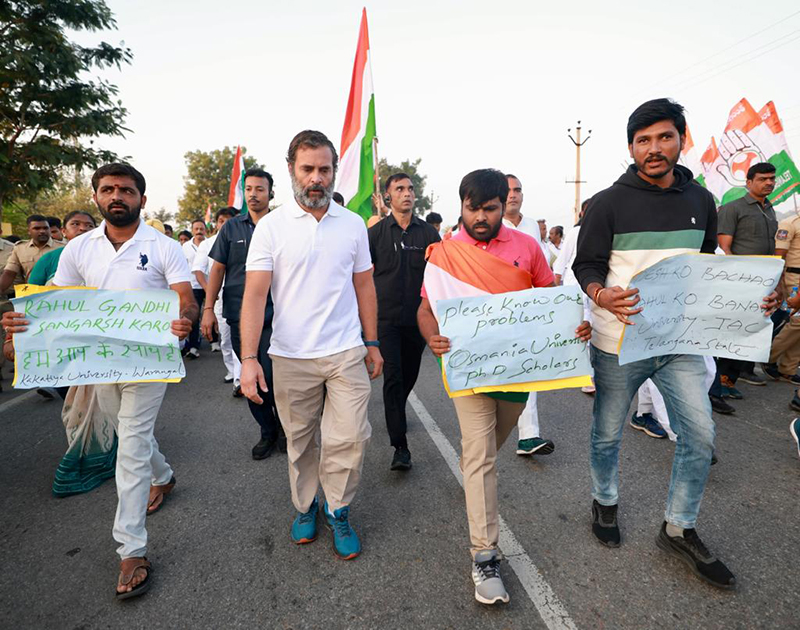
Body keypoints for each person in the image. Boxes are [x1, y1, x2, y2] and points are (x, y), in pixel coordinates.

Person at [572, 98, 776, 590]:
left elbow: (706, 269)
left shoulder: (701, 201)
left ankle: (679, 528)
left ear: (682, 140)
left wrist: (754, 299)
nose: (654, 148)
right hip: (618, 342)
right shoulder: (607, 203)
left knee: (700, 435)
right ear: (631, 148)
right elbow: (587, 265)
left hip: (680, 342)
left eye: (664, 137)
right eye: (643, 140)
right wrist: (600, 294)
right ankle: (604, 502)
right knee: (607, 432)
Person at [2, 162, 197, 600]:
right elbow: (55, 304)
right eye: (108, 189)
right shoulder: (79, 249)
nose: (117, 196)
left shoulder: (164, 247)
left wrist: (185, 319)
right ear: (96, 197)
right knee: (131, 435)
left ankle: (131, 550)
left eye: (126, 190)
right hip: (99, 364)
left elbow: (185, 299)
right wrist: (20, 329)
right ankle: (164, 476)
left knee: (129, 446)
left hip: (148, 362)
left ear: (141, 199)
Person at [417, 168, 589, 604]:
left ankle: (473, 468)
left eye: (489, 209)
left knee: (487, 448)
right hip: (469, 375)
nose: (480, 217)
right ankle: (484, 555)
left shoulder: (527, 247)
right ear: (461, 206)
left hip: (517, 375)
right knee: (481, 458)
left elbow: (550, 301)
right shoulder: (445, 254)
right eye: (472, 208)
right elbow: (425, 310)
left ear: (504, 206)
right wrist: (431, 337)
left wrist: (575, 327)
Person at [240, 129, 383, 560]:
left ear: (335, 171)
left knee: (351, 437)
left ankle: (338, 509)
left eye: (324, 169)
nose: (316, 178)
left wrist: (372, 341)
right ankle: (306, 506)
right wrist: (248, 358)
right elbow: (255, 296)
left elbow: (364, 286)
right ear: (291, 170)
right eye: (308, 169)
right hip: (290, 355)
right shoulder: (271, 227)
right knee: (300, 440)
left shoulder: (353, 224)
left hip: (345, 351)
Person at [203, 169, 284, 459]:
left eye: (260, 189)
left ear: (270, 193)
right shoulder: (231, 228)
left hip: (277, 314)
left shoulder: (282, 225)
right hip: (239, 314)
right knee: (250, 374)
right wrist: (208, 309)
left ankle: (285, 428)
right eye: (249, 189)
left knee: (274, 375)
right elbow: (218, 270)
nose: (253, 194)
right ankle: (267, 431)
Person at [369, 172, 440, 470]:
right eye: (399, 189)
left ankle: (396, 410)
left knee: (409, 376)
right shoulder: (375, 234)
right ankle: (400, 446)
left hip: (418, 320)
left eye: (410, 188)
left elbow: (441, 276)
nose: (407, 193)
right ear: (388, 196)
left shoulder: (429, 234)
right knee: (394, 377)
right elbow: (361, 277)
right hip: (385, 320)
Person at [502, 174, 554, 455]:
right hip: (499, 310)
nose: (513, 195)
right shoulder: (493, 225)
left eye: (517, 190)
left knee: (528, 368)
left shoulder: (532, 225)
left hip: (530, 308)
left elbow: (541, 266)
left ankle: (528, 435)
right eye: (508, 190)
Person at [716, 162, 778, 392]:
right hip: (739, 282)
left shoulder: (769, 209)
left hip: (764, 282)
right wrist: (737, 279)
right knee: (731, 330)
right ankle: (717, 384)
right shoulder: (733, 208)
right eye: (763, 179)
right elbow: (724, 248)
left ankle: (730, 380)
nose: (769, 183)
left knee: (749, 332)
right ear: (749, 182)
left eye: (771, 178)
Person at [193, 207, 240, 392]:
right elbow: (198, 271)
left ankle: (239, 378)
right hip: (219, 299)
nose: (225, 224)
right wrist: (210, 293)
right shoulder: (207, 244)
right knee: (226, 339)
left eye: (229, 220)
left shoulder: (246, 238)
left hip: (241, 297)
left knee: (240, 338)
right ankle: (232, 371)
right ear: (217, 223)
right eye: (221, 221)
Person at [762, 209, 800, 383]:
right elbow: (779, 255)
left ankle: (788, 368)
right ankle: (768, 356)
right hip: (795, 278)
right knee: (797, 322)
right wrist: (778, 281)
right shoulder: (790, 223)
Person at [28, 211, 96, 285]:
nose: (83, 228)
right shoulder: (48, 258)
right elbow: (33, 289)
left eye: (89, 226)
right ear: (63, 231)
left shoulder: (104, 254)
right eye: (75, 224)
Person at [0, 214, 64, 294]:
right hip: (31, 294)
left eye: (45, 228)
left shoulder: (63, 248)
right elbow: (9, 273)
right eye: (37, 228)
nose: (42, 231)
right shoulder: (20, 249)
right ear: (29, 231)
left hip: (58, 293)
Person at [182, 219, 207, 359]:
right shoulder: (185, 247)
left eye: (201, 229)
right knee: (195, 315)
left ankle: (214, 340)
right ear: (192, 230)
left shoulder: (211, 243)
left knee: (212, 312)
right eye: (196, 229)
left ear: (205, 230)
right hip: (193, 285)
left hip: (209, 284)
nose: (199, 231)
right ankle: (193, 346)